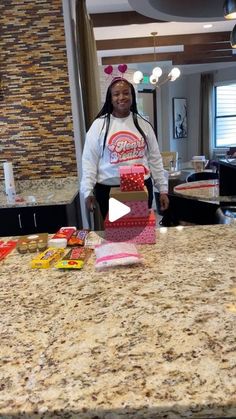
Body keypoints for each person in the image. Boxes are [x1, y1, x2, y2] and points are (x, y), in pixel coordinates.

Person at [80, 77, 169, 220]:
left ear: (132, 96)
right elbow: (89, 160)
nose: (121, 97)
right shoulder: (99, 125)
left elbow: (155, 159)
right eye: (116, 94)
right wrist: (88, 191)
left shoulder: (143, 124)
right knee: (117, 236)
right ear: (110, 98)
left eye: (126, 93)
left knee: (140, 234)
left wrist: (163, 189)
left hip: (140, 187)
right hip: (109, 189)